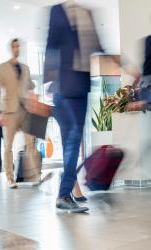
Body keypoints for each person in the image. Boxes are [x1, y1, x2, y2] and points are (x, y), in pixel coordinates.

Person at [44, 1, 102, 212]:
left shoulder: (87, 13)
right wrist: (47, 85)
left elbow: (98, 46)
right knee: (74, 138)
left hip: (82, 86)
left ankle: (67, 189)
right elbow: (51, 46)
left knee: (73, 142)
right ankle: (64, 193)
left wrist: (126, 66)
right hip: (64, 86)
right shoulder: (58, 11)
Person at [0, 38, 35, 188]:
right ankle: (10, 178)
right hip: (9, 111)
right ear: (10, 49)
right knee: (8, 146)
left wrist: (32, 94)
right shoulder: (2, 68)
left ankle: (34, 174)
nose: (16, 49)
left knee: (30, 142)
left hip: (25, 110)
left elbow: (29, 85)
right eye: (14, 46)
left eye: (18, 46)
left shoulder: (25, 68)